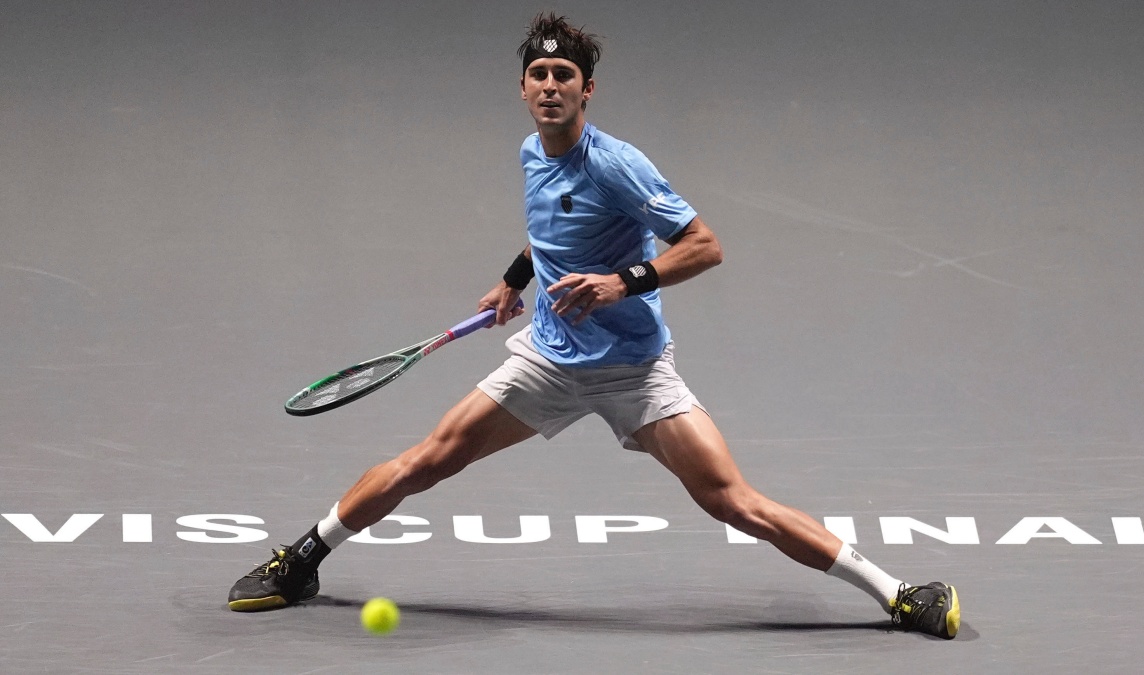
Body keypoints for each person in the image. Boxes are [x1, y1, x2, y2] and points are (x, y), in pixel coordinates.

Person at [227, 12, 960, 640]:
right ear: (522, 88)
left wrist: (621, 282)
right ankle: (301, 561)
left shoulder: (617, 165)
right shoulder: (530, 152)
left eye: (564, 75)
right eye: (539, 73)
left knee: (734, 500)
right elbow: (548, 234)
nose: (550, 85)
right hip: (547, 361)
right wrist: (515, 282)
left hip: (636, 372)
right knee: (425, 460)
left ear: (587, 89)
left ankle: (898, 595)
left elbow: (705, 246)